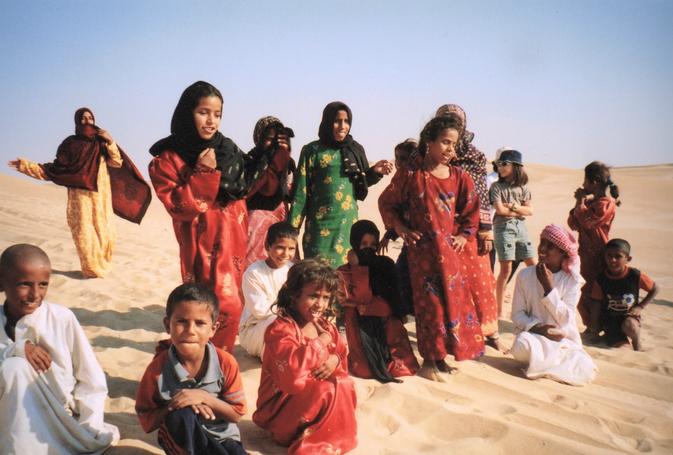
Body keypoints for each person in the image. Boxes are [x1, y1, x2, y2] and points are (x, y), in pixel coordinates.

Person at [148, 81, 290, 352]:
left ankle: (216, 359)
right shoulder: (168, 159)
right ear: (187, 113)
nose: (211, 120)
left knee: (231, 306)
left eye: (217, 114)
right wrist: (202, 172)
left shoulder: (227, 149)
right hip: (198, 244)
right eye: (203, 112)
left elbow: (248, 186)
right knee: (202, 305)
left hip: (232, 242)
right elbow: (179, 206)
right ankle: (198, 360)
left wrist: (269, 154)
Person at [379, 115, 485, 382]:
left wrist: (463, 235)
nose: (450, 149)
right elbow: (387, 202)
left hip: (451, 257)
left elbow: (471, 211)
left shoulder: (460, 177)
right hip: (422, 255)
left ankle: (442, 359)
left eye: (454, 144)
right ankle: (429, 361)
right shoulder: (412, 176)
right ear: (429, 142)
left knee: (452, 306)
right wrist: (401, 229)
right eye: (445, 142)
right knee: (430, 308)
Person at [0, 244, 120, 453]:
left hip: (57, 414)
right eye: (24, 284)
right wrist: (16, 349)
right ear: (2, 282)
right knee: (14, 367)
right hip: (6, 413)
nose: (34, 294)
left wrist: (89, 424)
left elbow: (91, 378)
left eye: (43, 285)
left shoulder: (61, 318)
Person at [8, 108, 151, 278]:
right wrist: (25, 166)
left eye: (90, 118)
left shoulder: (101, 142)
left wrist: (111, 141)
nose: (87, 121)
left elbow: (116, 162)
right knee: (84, 234)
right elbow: (53, 170)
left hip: (100, 196)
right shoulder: (70, 144)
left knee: (107, 235)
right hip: (79, 198)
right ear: (77, 121)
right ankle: (92, 271)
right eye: (83, 118)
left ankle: (102, 268)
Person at [253, 260, 357, 455]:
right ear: (294, 296)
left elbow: (341, 352)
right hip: (279, 408)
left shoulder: (325, 326)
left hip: (311, 403)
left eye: (326, 298)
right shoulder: (281, 330)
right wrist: (319, 343)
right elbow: (291, 377)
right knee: (326, 388)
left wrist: (334, 359)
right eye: (313, 296)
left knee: (344, 382)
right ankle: (306, 439)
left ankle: (325, 437)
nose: (320, 304)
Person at [136, 283, 247, 454]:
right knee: (183, 414)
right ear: (167, 325)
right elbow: (147, 419)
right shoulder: (157, 370)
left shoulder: (226, 363)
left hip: (222, 437)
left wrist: (204, 397)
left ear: (213, 329)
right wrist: (177, 405)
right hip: (181, 440)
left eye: (200, 323)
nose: (190, 331)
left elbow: (237, 414)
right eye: (181, 322)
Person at [289, 101, 393, 267]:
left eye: (346, 121)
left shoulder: (354, 149)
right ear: (327, 122)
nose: (342, 126)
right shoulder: (312, 150)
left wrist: (375, 172)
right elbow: (301, 192)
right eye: (337, 121)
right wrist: (291, 232)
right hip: (318, 228)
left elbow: (360, 183)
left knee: (345, 279)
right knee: (317, 276)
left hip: (347, 227)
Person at [436, 105, 501, 350]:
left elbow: (481, 194)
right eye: (445, 120)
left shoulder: (474, 156)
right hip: (438, 228)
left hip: (469, 228)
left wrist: (485, 230)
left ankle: (490, 333)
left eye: (455, 121)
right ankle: (453, 336)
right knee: (445, 282)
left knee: (481, 280)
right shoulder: (428, 154)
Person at [510, 225, 598, 386]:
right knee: (520, 344)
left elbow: (566, 319)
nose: (542, 249)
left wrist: (549, 288)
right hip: (534, 337)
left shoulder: (572, 281)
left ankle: (546, 364)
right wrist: (539, 329)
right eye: (542, 243)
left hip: (563, 340)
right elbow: (517, 315)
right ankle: (551, 364)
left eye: (550, 246)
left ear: (563, 253)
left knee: (583, 365)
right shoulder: (524, 275)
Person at [337, 220, 419, 382]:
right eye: (363, 243)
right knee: (364, 370)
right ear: (354, 243)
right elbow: (354, 298)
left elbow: (395, 300)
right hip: (359, 326)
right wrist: (357, 268)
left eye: (373, 244)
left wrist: (374, 307)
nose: (368, 248)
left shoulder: (385, 265)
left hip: (387, 322)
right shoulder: (344, 270)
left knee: (402, 369)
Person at [567, 161, 620, 328]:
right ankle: (591, 327)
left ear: (595, 181)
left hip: (599, 255)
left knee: (595, 294)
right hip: (584, 255)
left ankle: (596, 328)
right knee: (581, 294)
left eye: (585, 180)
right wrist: (580, 202)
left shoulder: (607, 204)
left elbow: (588, 222)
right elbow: (573, 224)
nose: (583, 184)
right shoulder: (589, 203)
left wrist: (580, 202)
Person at [244, 116, 297, 270]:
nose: (273, 144)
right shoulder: (250, 160)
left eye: (278, 139)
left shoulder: (288, 162)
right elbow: (258, 187)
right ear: (258, 138)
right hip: (254, 223)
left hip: (280, 221)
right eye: (268, 139)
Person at [239, 221, 298, 358]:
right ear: (267, 246)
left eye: (291, 249)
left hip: (288, 321)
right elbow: (260, 311)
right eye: (280, 247)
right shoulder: (254, 273)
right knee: (279, 325)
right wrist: (292, 314)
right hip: (256, 328)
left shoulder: (292, 270)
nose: (285, 254)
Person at [587, 239, 658, 350]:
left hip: (629, 317)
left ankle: (636, 342)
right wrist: (594, 330)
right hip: (610, 321)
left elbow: (655, 289)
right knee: (622, 348)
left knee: (631, 326)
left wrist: (640, 306)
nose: (612, 260)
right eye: (609, 256)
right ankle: (618, 339)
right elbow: (596, 305)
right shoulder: (601, 279)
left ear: (628, 259)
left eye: (618, 256)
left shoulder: (635, 276)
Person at [489, 148, 536, 316]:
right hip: (503, 230)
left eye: (504, 164)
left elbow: (530, 211)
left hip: (521, 229)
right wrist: (520, 210)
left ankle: (536, 306)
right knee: (505, 270)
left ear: (515, 166)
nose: (500, 167)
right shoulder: (496, 187)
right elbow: (500, 210)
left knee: (534, 267)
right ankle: (498, 311)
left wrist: (515, 207)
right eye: (498, 164)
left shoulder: (523, 188)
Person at [379, 139, 417, 318]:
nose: (399, 163)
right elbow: (393, 207)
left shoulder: (420, 178)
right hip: (410, 241)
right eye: (397, 159)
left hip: (428, 242)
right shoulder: (400, 182)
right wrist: (390, 233)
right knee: (400, 275)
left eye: (404, 158)